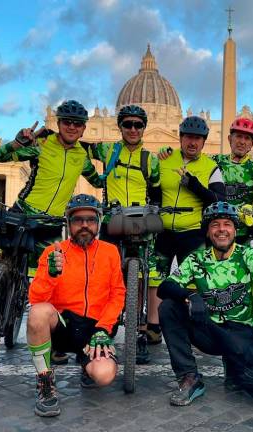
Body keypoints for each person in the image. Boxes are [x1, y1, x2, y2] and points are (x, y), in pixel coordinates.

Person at [0, 99, 102, 363]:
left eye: (77, 124)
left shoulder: (81, 157)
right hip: (22, 212)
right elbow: (0, 157)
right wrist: (18, 141)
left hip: (51, 223)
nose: (72, 127)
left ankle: (52, 337)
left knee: (57, 280)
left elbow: (99, 180)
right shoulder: (40, 146)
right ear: (59, 124)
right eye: (67, 122)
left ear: (84, 128)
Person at [157, 201, 253, 406]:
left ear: (235, 230)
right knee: (168, 307)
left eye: (227, 224)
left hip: (242, 333)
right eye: (215, 225)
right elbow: (165, 287)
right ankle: (189, 377)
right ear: (208, 232)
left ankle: (234, 364)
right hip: (208, 330)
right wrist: (191, 295)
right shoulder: (197, 258)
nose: (222, 229)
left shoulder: (248, 255)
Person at [26, 194, 125, 417]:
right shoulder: (53, 252)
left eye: (90, 220)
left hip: (95, 330)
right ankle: (45, 383)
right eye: (78, 220)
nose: (84, 225)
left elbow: (118, 294)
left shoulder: (110, 252)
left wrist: (104, 328)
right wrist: (51, 274)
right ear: (69, 223)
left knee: (104, 374)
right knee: (38, 313)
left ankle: (86, 367)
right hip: (64, 324)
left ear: (98, 222)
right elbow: (35, 298)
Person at [82, 104, 162, 360]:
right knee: (104, 276)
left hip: (140, 220)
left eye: (138, 125)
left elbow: (158, 192)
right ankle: (100, 326)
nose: (133, 129)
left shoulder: (150, 159)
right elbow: (78, 145)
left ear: (144, 128)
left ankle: (138, 329)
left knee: (138, 278)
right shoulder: (107, 150)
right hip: (112, 220)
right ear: (120, 127)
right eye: (128, 124)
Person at [150, 115, 226, 344]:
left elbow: (219, 199)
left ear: (203, 142)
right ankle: (153, 328)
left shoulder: (211, 167)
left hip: (193, 231)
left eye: (197, 139)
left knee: (195, 281)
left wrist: (193, 184)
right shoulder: (163, 159)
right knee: (155, 278)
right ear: (180, 138)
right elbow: (151, 190)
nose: (192, 143)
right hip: (163, 230)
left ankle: (196, 325)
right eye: (188, 138)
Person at [159, 116, 253, 242]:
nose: (242, 142)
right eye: (238, 137)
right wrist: (168, 152)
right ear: (230, 139)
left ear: (251, 144)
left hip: (241, 230)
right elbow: (194, 158)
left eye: (247, 138)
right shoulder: (216, 161)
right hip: (213, 230)